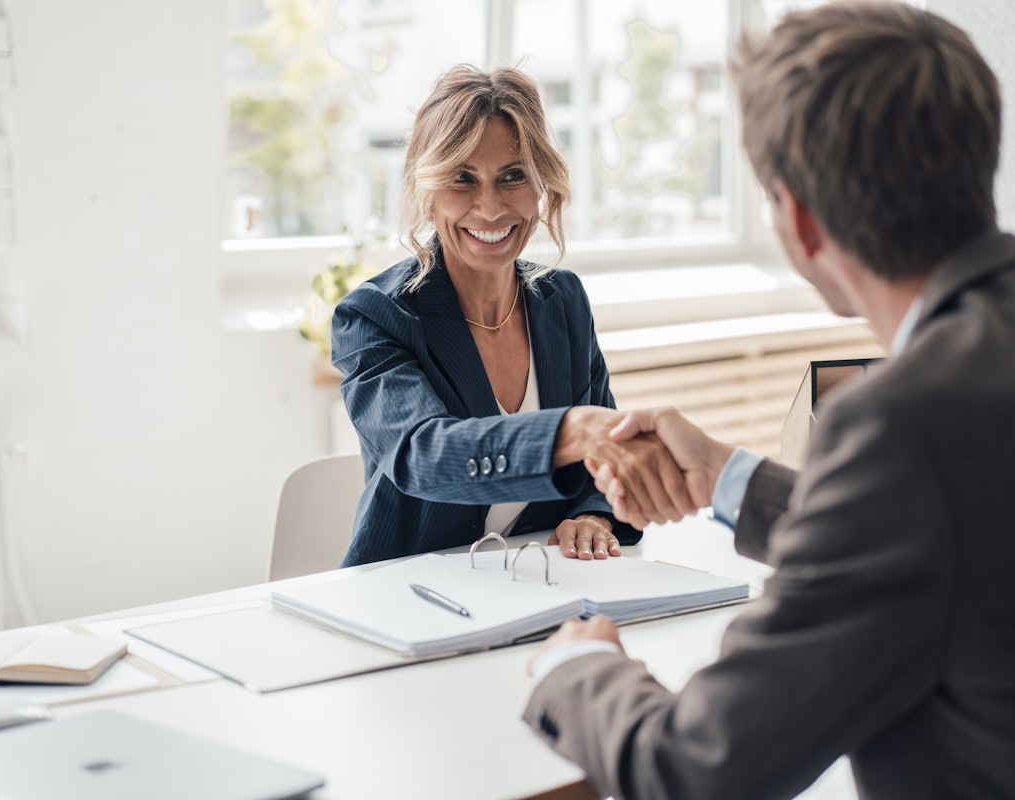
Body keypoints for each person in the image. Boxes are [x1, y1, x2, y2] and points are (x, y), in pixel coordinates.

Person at [523, 3, 1015, 799]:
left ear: (799, 221)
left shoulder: (902, 426)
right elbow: (954, 534)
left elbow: (697, 767)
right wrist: (727, 475)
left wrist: (577, 667)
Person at [331, 65, 659, 567]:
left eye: (512, 177)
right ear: (428, 186)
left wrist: (593, 516)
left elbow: (598, 469)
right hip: (409, 594)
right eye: (463, 178)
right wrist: (572, 431)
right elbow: (425, 457)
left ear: (541, 183)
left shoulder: (563, 301)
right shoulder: (374, 316)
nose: (489, 208)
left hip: (539, 584)